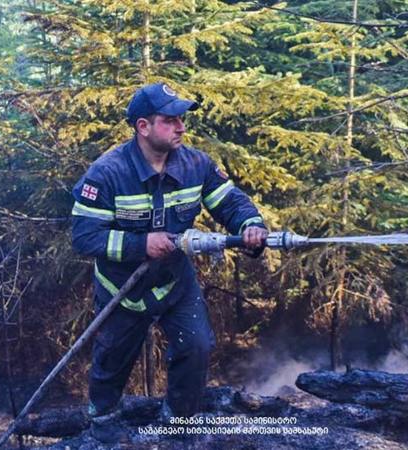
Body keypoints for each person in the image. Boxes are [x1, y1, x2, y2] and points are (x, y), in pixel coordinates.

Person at [70, 83, 268, 443]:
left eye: (182, 119)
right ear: (142, 127)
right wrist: (140, 244)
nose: (181, 127)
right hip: (123, 288)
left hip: (175, 282)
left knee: (196, 347)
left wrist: (250, 226)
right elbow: (85, 237)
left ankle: (177, 423)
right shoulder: (106, 174)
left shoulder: (196, 164)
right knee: (113, 357)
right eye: (169, 120)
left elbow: (230, 203)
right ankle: (103, 420)